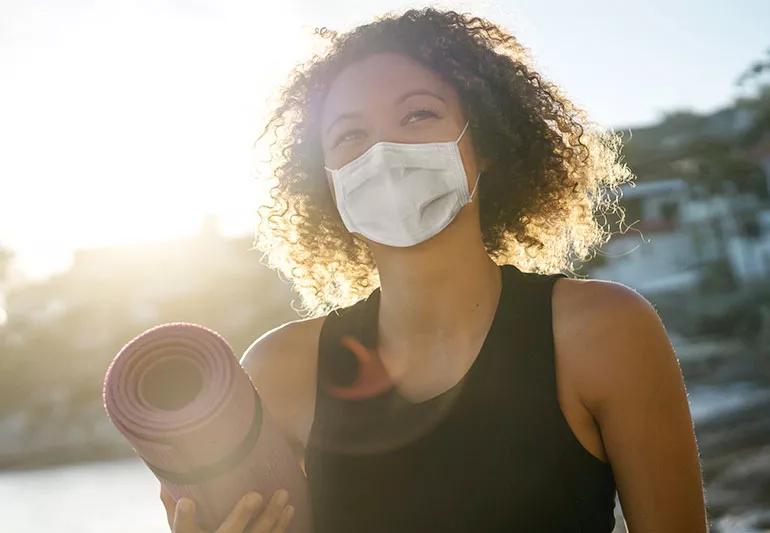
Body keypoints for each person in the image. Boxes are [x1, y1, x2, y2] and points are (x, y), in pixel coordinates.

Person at [164, 7, 709, 533]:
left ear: (486, 143)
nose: (382, 150)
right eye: (349, 135)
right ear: (325, 179)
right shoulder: (279, 371)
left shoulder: (603, 331)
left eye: (418, 115)